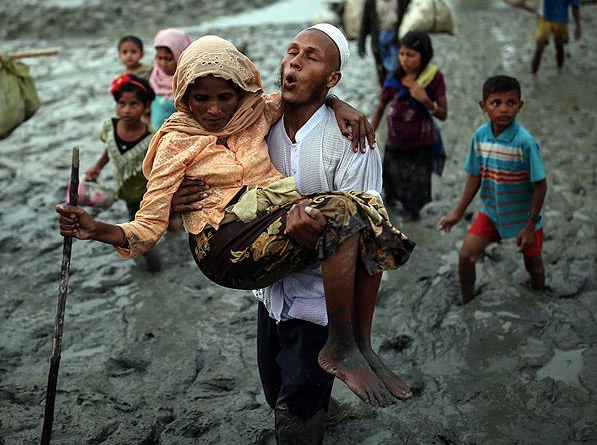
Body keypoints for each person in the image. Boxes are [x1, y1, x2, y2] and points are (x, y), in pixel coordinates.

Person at [56, 32, 414, 411]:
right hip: (225, 249)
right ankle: (344, 347)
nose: (213, 110)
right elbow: (147, 223)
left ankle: (357, 343)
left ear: (241, 93)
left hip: (291, 267)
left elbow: (302, 98)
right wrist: (95, 229)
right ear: (184, 96)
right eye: (201, 98)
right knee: (345, 210)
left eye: (224, 97)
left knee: (365, 214)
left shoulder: (261, 116)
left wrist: (340, 104)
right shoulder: (176, 142)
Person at [173, 24, 415, 443]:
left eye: (311, 57)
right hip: (270, 292)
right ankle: (327, 410)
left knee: (296, 412)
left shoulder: (351, 140)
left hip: (320, 302)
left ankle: (338, 365)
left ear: (331, 78)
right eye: (291, 52)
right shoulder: (257, 123)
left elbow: (369, 227)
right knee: (275, 390)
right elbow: (204, 151)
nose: (295, 62)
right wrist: (178, 195)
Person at [437, 75, 547, 304]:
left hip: (523, 217)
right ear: (483, 106)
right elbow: (474, 177)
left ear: (520, 105)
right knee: (466, 255)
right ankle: (467, 299)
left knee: (534, 265)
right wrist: (457, 213)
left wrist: (530, 225)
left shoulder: (525, 142)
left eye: (511, 103)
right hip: (492, 212)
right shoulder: (480, 136)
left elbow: (540, 185)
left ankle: (541, 298)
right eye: (496, 103)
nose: (504, 109)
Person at [79, 74, 161, 272]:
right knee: (135, 226)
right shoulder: (110, 127)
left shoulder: (151, 138)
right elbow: (111, 148)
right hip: (126, 191)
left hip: (146, 195)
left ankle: (154, 270)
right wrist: (97, 167)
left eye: (134, 104)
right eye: (122, 104)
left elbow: (159, 168)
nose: (126, 110)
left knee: (140, 236)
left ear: (145, 107)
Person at [370, 31, 448, 219]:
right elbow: (381, 107)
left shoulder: (434, 78)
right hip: (395, 142)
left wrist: (426, 101)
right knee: (392, 186)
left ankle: (413, 222)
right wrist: (369, 134)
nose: (404, 59)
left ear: (425, 55)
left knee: (416, 190)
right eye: (402, 54)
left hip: (421, 145)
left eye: (411, 55)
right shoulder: (394, 78)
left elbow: (443, 114)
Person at [357, 0, 410, 86]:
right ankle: (386, 94)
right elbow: (364, 24)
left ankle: (397, 94)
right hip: (379, 40)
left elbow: (411, 12)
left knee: (398, 67)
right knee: (382, 69)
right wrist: (361, 46)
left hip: (396, 38)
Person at [531, 0, 582, 74]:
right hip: (544, 18)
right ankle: (533, 75)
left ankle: (559, 71)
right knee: (539, 48)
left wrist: (578, 26)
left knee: (559, 47)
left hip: (561, 20)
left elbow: (575, 6)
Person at [149, 28, 192, 131]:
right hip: (154, 133)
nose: (163, 64)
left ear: (181, 55)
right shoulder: (155, 76)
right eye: (159, 58)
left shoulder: (189, 81)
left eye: (168, 59)